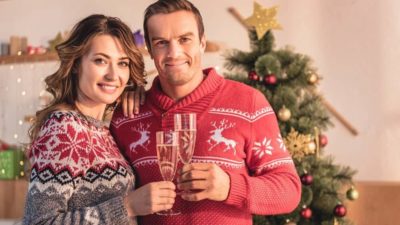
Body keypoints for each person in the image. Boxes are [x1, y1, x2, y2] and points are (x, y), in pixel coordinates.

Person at [110, 0, 302, 224]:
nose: (174, 52)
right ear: (150, 51)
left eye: (185, 39)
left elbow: (289, 190)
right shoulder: (127, 115)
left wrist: (230, 187)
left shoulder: (248, 103)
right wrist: (125, 90)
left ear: (202, 42)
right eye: (161, 42)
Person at [23, 14, 176, 225]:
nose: (114, 75)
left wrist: (133, 92)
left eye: (122, 63)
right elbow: (39, 222)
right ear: (76, 63)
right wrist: (128, 206)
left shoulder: (102, 130)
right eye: (100, 60)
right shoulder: (65, 128)